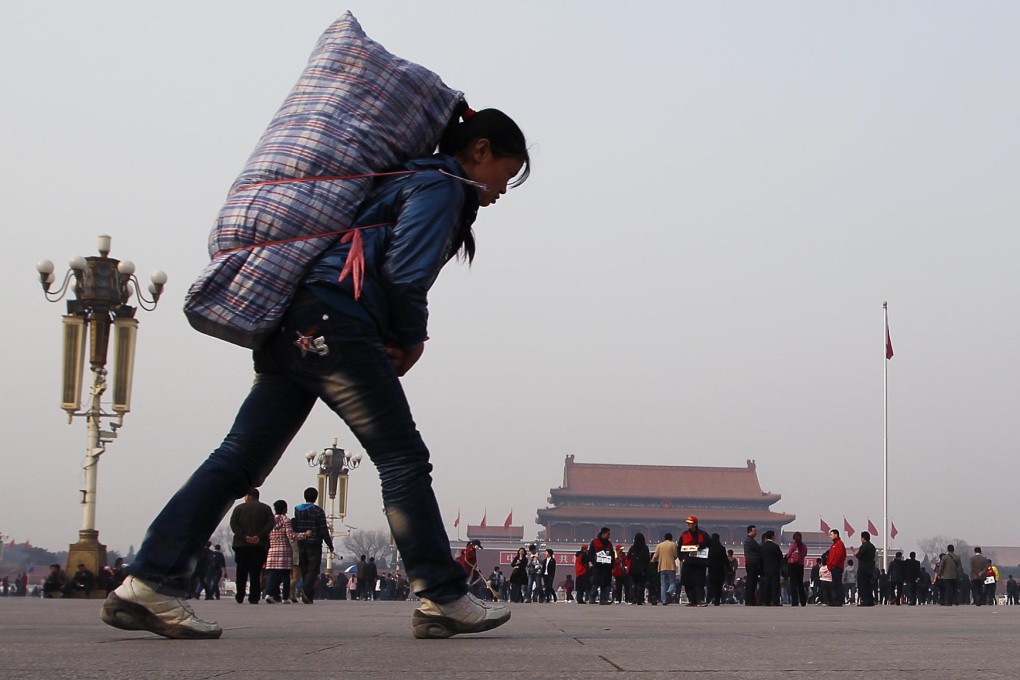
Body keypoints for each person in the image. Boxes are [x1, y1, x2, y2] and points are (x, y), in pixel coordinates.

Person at [100, 105, 529, 639]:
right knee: (401, 458)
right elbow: (403, 272)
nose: (503, 189)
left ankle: (148, 582)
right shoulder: (442, 187)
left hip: (294, 322)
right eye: (505, 175)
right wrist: (411, 338)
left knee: (238, 459)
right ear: (481, 151)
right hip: (339, 324)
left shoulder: (405, 179)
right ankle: (441, 595)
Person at [229, 489, 275, 605]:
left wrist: (244, 536)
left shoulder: (239, 508)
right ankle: (254, 597)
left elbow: (233, 524)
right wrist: (258, 536)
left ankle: (240, 595)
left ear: (248, 496)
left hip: (241, 545)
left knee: (241, 571)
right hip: (258, 545)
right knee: (256, 572)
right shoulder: (266, 509)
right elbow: (270, 524)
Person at [291, 487, 334, 604]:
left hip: (301, 543)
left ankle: (308, 596)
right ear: (316, 497)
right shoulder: (318, 511)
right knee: (313, 569)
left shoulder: (297, 510)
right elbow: (323, 529)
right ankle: (306, 588)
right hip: (314, 543)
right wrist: (330, 545)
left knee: (304, 568)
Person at [265, 499, 307, 604]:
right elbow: (291, 536)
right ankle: (284, 597)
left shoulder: (270, 520)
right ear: (285, 509)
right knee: (285, 575)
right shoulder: (286, 520)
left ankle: (268, 594)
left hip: (272, 550)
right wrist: (305, 534)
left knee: (272, 574)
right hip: (284, 551)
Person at [678, 516, 710, 607]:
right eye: (688, 523)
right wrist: (681, 558)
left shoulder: (703, 534)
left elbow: (709, 543)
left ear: (695, 524)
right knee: (688, 582)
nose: (688, 525)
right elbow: (679, 547)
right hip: (688, 562)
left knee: (699, 582)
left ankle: (700, 600)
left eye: (690, 523)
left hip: (699, 563)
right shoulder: (684, 535)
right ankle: (692, 600)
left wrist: (700, 545)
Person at [588, 527, 615, 605]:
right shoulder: (595, 542)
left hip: (607, 568)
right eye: (608, 534)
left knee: (606, 584)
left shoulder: (609, 544)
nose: (609, 535)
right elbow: (590, 554)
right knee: (596, 583)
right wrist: (595, 562)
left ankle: (604, 599)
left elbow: (612, 555)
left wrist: (612, 564)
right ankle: (592, 598)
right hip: (598, 567)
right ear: (603, 533)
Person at [652, 533, 678, 605]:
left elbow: (655, 555)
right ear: (671, 538)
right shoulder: (673, 545)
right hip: (671, 566)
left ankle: (664, 601)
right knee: (672, 582)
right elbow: (675, 555)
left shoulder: (659, 545)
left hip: (662, 566)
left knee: (663, 584)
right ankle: (669, 592)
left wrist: (653, 560)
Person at [759, 530, 783, 606]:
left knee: (767, 585)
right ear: (773, 537)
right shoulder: (775, 546)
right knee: (775, 586)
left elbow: (760, 559)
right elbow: (780, 557)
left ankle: (766, 601)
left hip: (765, 569)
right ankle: (775, 601)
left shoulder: (762, 546)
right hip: (775, 569)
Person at [626, 533, 650, 605]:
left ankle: (634, 598)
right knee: (641, 584)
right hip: (642, 569)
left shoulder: (633, 547)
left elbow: (628, 556)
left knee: (634, 584)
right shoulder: (645, 548)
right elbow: (647, 559)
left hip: (633, 568)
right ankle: (640, 599)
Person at [785, 531, 807, 607]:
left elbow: (788, 555)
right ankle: (803, 601)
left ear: (794, 539)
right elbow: (805, 554)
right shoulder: (804, 546)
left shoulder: (793, 546)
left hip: (793, 566)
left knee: (793, 584)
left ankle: (795, 601)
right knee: (800, 584)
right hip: (800, 566)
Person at [826, 529, 847, 607]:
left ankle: (838, 601)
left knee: (837, 584)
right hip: (833, 567)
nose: (830, 536)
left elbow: (839, 556)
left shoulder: (839, 544)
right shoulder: (834, 545)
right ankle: (835, 600)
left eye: (831, 534)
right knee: (834, 584)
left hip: (837, 567)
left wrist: (833, 564)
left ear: (836, 535)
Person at [706, 533, 728, 606]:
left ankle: (708, 599)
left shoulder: (710, 548)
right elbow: (725, 559)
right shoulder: (722, 548)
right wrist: (729, 568)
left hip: (712, 569)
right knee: (719, 585)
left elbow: (708, 559)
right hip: (720, 569)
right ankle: (717, 600)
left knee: (711, 585)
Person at [742, 525, 762, 606]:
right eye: (755, 531)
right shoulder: (750, 541)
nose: (756, 533)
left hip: (750, 563)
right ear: (750, 531)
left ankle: (750, 600)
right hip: (752, 564)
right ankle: (750, 601)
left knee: (751, 583)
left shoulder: (748, 540)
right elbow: (759, 549)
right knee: (751, 583)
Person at [856, 532, 876, 606]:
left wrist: (856, 554)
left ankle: (865, 601)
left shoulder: (863, 546)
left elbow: (860, 556)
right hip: (870, 568)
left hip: (863, 568)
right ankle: (870, 600)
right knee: (869, 585)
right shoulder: (872, 547)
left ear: (863, 538)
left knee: (863, 585)